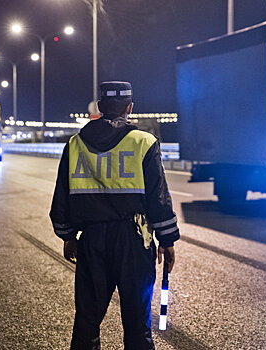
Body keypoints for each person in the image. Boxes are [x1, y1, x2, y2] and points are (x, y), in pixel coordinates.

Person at [50, 81, 180, 350]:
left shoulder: (75, 144)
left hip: (92, 240)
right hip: (134, 240)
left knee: (87, 321)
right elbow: (158, 198)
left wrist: (68, 235)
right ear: (130, 108)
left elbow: (62, 198)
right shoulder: (144, 142)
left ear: (100, 107)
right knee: (137, 323)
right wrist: (167, 240)